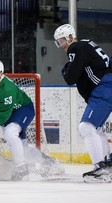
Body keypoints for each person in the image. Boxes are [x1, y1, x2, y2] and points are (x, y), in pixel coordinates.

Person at [0, 59, 64, 180]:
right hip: (9, 112)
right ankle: (47, 161)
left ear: (0, 74)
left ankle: (21, 169)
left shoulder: (7, 88)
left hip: (23, 110)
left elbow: (2, 114)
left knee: (10, 132)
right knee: (22, 147)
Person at [54, 24, 112, 182]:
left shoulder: (75, 47)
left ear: (71, 37)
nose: (62, 46)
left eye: (62, 41)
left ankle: (102, 169)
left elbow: (70, 78)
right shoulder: (88, 43)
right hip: (107, 87)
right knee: (96, 129)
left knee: (86, 127)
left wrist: (66, 70)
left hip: (104, 89)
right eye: (58, 42)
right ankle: (107, 165)